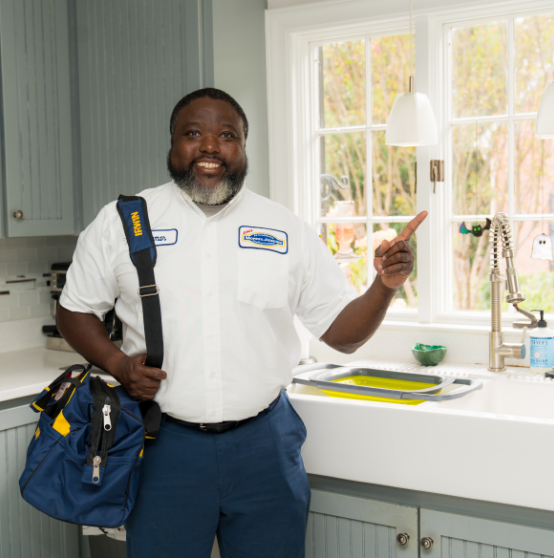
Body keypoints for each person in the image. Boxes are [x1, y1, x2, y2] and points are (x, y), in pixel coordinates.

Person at [57, 87, 427, 558]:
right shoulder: (124, 221)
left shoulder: (284, 228)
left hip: (264, 449)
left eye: (226, 135)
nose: (210, 146)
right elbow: (73, 309)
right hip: (162, 446)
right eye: (193, 133)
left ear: (243, 147)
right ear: (172, 144)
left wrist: (385, 286)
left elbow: (342, 334)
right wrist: (117, 363)